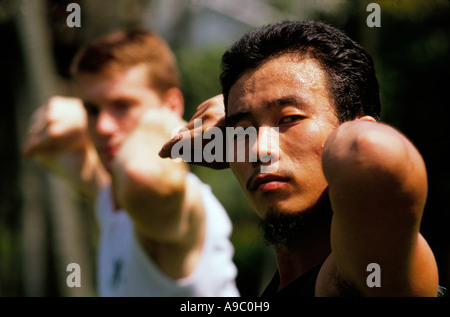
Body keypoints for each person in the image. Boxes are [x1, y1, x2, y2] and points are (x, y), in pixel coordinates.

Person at [159, 20, 446, 297]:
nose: (260, 150)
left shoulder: (360, 279)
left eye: (290, 119)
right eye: (242, 133)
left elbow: (369, 149)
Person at [22, 29, 240, 297]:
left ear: (172, 105)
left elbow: (140, 173)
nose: (102, 127)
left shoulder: (181, 203)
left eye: (122, 105)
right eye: (92, 109)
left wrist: (168, 123)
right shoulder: (111, 197)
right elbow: (46, 146)